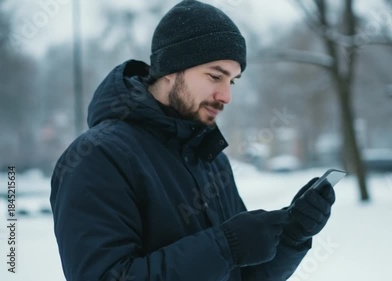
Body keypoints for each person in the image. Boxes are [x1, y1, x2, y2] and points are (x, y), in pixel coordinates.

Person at [50, 1, 336, 280]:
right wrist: (225, 247)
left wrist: (291, 236)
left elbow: (243, 273)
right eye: (215, 76)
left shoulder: (211, 159)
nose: (226, 96)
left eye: (232, 81)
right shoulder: (97, 158)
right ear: (170, 71)